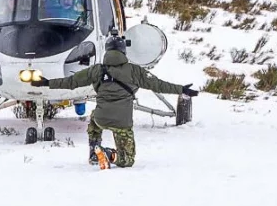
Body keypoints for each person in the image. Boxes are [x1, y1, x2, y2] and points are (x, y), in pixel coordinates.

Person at [31, 36, 199, 167]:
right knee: (127, 161)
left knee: (94, 119)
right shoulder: (135, 71)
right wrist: (182, 89)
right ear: (123, 51)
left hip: (101, 118)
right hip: (122, 123)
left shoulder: (97, 70)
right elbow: (159, 85)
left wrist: (46, 82)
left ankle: (94, 149)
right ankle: (110, 155)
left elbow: (71, 82)